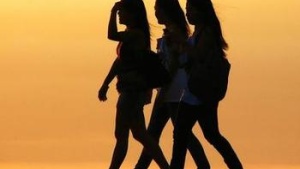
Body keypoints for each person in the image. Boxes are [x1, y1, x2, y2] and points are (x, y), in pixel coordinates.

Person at [134, 0, 209, 168]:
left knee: (177, 134)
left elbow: (174, 65)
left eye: (156, 9)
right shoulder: (172, 33)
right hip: (169, 89)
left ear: (165, 10)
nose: (155, 13)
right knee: (156, 134)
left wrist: (163, 89)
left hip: (173, 91)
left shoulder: (174, 34)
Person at [170, 0, 243, 168]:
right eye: (186, 10)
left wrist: (182, 42)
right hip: (195, 92)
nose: (187, 13)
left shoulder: (207, 33)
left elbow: (199, 55)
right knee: (210, 135)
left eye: (190, 9)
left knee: (182, 134)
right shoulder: (198, 33)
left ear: (201, 11)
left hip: (197, 94)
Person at [98, 0, 169, 168]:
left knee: (122, 134)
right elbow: (119, 63)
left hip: (132, 92)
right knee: (139, 134)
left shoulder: (136, 35)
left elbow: (111, 35)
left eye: (121, 12)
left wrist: (112, 11)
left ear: (133, 14)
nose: (119, 15)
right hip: (130, 91)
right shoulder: (131, 34)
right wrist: (105, 84)